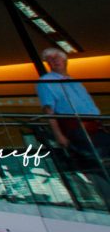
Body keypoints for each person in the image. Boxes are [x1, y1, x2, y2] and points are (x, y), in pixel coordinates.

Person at [38, 48, 110, 203]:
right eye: (49, 59)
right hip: (76, 127)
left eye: (56, 57)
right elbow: (49, 110)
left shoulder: (73, 80)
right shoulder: (46, 81)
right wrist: (58, 135)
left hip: (96, 126)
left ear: (65, 60)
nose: (53, 61)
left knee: (103, 161)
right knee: (95, 164)